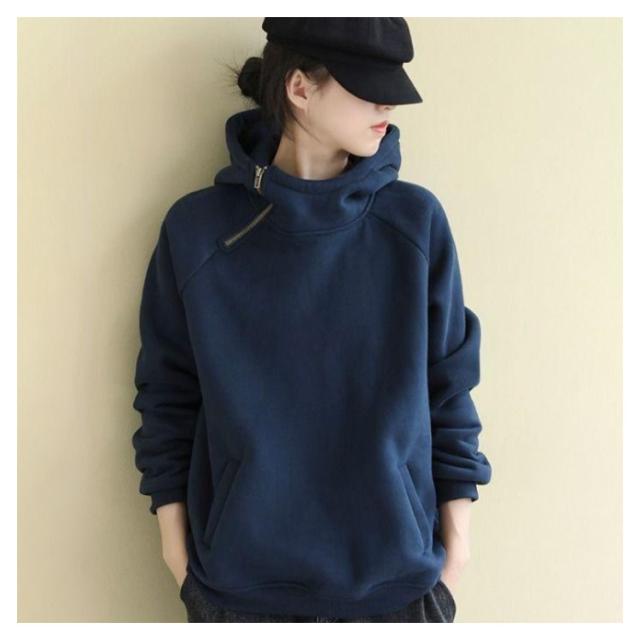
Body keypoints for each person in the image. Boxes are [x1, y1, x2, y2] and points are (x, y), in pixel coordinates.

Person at [131, 17, 492, 623]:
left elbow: (449, 391)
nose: (390, 104)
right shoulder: (197, 232)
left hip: (399, 595)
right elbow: (167, 395)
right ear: (300, 87)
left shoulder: (415, 224)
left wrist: (455, 557)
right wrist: (178, 558)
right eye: (369, 86)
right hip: (239, 595)